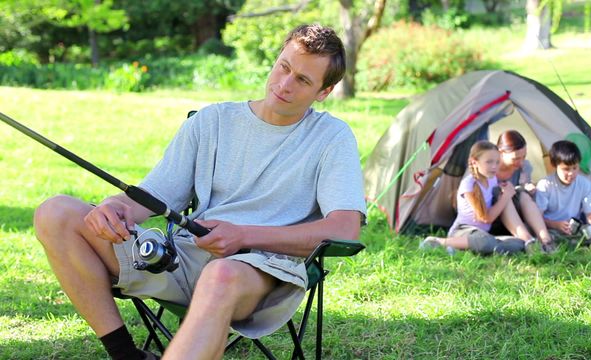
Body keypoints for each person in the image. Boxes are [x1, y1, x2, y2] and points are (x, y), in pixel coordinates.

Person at [33, 24, 366, 360]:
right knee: (56, 212)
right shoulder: (211, 121)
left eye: (303, 80)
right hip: (180, 257)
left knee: (219, 275)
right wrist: (113, 208)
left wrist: (243, 235)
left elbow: (345, 229)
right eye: (284, 67)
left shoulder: (331, 138)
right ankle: (126, 355)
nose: (284, 84)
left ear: (324, 92)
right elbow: (153, 195)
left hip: (259, 271)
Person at [420, 140, 535, 255]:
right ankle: (439, 242)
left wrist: (504, 189)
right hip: (464, 230)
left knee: (518, 244)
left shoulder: (492, 179)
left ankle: (461, 248)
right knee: (485, 242)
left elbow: (494, 199)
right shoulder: (469, 184)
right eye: (489, 162)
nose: (494, 167)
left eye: (497, 162)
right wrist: (506, 196)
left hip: (483, 233)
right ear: (474, 162)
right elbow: (486, 218)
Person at [536, 140, 591, 246]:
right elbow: (537, 218)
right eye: (566, 169)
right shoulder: (545, 185)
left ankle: (577, 242)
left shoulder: (585, 184)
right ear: (554, 165)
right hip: (551, 228)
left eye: (575, 168)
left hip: (573, 229)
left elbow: (590, 213)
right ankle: (575, 243)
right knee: (546, 236)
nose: (571, 173)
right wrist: (555, 225)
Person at [495, 130, 556, 252]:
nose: (521, 162)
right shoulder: (490, 167)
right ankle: (529, 242)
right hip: (493, 215)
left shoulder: (524, 167)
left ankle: (546, 240)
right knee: (503, 195)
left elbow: (522, 189)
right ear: (501, 153)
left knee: (523, 195)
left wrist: (528, 187)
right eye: (516, 158)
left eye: (523, 157)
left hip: (516, 219)